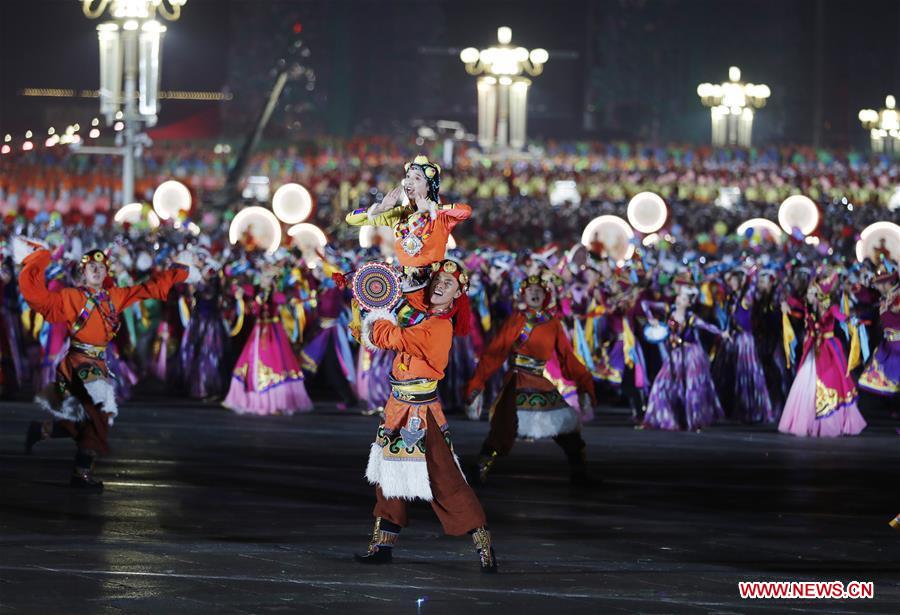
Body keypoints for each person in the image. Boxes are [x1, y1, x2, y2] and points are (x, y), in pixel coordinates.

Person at [354, 259, 497, 573]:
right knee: (387, 479)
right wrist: (378, 295)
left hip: (422, 412)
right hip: (397, 406)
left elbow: (396, 338)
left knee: (445, 480)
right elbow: (399, 309)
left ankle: (483, 544)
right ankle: (382, 547)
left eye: (449, 283)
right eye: (438, 279)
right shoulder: (421, 316)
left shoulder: (439, 326)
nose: (440, 285)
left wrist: (377, 315)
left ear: (459, 294)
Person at [18, 238, 193, 489]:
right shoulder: (71, 297)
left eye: (101, 267)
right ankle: (81, 474)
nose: (97, 271)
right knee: (97, 416)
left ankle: (43, 432)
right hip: (78, 364)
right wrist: (37, 262)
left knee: (85, 420)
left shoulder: (115, 296)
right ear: (83, 271)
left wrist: (177, 272)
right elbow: (41, 300)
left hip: (98, 364)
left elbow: (147, 289)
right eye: (92, 267)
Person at [465, 273, 598, 484]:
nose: (534, 294)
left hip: (539, 380)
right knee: (503, 426)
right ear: (523, 295)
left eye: (539, 291)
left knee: (564, 427)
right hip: (516, 381)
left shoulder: (553, 324)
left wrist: (584, 384)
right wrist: (477, 384)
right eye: (530, 291)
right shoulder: (516, 320)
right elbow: (495, 353)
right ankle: (480, 468)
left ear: (546, 295)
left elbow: (567, 358)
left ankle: (580, 472)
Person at [345, 155, 470, 291]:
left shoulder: (440, 216)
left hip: (434, 287)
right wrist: (380, 208)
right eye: (408, 177)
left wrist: (430, 209)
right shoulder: (398, 214)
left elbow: (465, 211)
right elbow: (351, 219)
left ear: (428, 186)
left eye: (416, 178)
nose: (409, 182)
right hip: (405, 285)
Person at [777, 271, 867, 437]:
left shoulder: (831, 308)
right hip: (813, 349)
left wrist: (851, 320)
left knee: (832, 381)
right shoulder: (807, 307)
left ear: (820, 295)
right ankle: (805, 421)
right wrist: (785, 305)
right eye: (809, 292)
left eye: (812, 293)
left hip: (829, 350)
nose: (808, 295)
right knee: (804, 381)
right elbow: (790, 303)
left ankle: (829, 421)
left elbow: (842, 317)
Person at [641, 275, 727, 432]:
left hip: (690, 354)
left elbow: (707, 326)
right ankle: (666, 418)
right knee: (662, 384)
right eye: (679, 296)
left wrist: (722, 333)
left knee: (691, 388)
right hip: (675, 355)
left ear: (688, 302)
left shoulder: (691, 318)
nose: (679, 299)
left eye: (683, 298)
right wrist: (651, 318)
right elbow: (645, 303)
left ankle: (692, 421)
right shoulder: (668, 310)